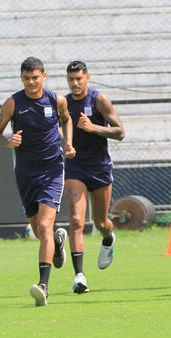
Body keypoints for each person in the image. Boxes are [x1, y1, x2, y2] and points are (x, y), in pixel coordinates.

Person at [0, 57, 76, 306]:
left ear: (44, 76)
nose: (31, 82)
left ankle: (43, 286)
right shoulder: (13, 103)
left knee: (45, 223)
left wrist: (68, 142)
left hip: (52, 170)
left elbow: (67, 119)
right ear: (22, 78)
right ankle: (58, 243)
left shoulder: (56, 100)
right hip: (26, 173)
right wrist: (7, 141)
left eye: (35, 77)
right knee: (40, 231)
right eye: (26, 78)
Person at [63, 61, 125, 294]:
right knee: (77, 221)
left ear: (87, 78)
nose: (75, 83)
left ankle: (108, 239)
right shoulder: (64, 103)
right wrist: (66, 145)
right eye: (71, 79)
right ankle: (79, 276)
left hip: (99, 168)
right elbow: (60, 129)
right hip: (75, 167)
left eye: (79, 79)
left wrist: (94, 128)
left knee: (101, 223)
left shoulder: (99, 100)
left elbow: (120, 132)